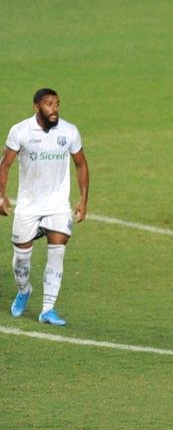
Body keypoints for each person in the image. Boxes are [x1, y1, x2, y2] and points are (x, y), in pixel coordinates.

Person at [1, 88, 88, 326]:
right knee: (21, 259)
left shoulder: (69, 131)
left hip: (58, 205)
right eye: (49, 104)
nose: (54, 109)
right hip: (28, 205)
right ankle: (24, 290)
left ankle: (48, 309)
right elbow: (5, 164)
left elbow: (80, 164)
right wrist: (1, 195)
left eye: (57, 104)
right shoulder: (20, 131)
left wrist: (83, 199)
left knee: (57, 251)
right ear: (36, 107)